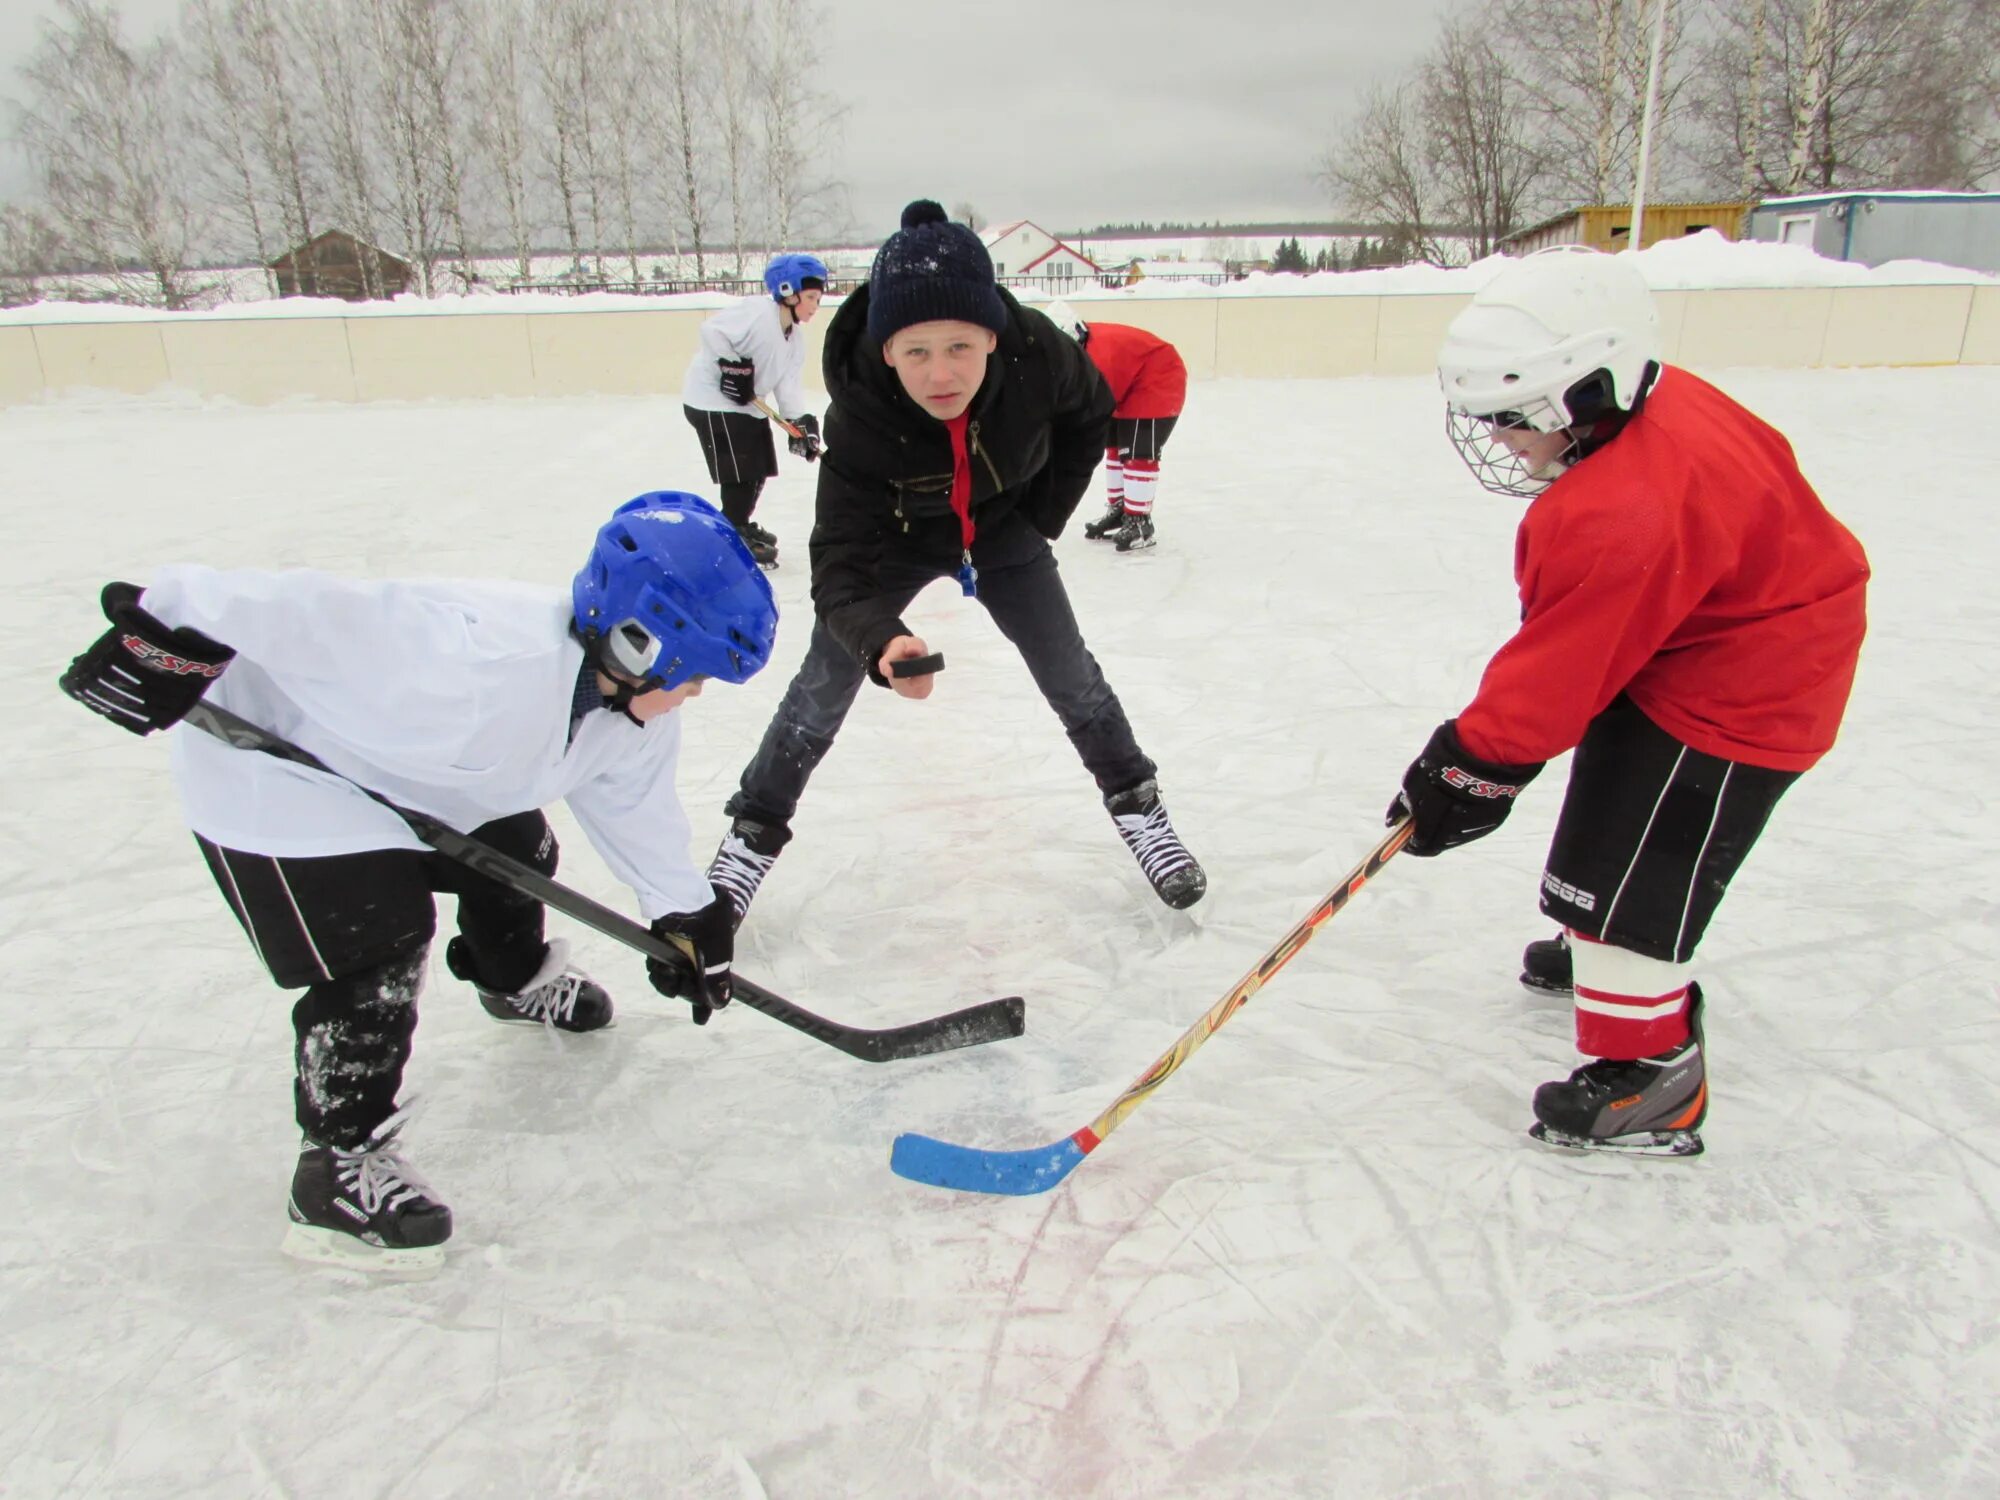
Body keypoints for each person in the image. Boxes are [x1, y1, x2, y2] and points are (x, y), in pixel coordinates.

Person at [57, 494, 778, 1272]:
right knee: (380, 942)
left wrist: (683, 911)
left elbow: (631, 803)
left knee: (519, 846)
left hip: (412, 773)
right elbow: (309, 610)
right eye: (697, 673)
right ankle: (334, 1167)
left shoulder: (627, 708)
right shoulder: (464, 658)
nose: (698, 693)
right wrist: (167, 634)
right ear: (640, 644)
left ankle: (512, 979)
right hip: (280, 777)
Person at [1388, 246, 1868, 1157]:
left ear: (1590, 391)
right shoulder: (1658, 403)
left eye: (1512, 419)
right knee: (1612, 822)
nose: (1498, 439)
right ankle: (1599, 947)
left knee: (1637, 869)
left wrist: (1467, 769)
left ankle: (1651, 1076)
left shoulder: (1617, 511)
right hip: (1701, 631)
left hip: (1744, 689)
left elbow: (1558, 671)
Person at [706, 200, 1206, 928]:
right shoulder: (861, 418)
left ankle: (1140, 808)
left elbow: (1091, 410)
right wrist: (882, 640)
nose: (941, 374)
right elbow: (839, 564)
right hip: (896, 537)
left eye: (960, 348)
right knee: (822, 684)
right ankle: (751, 837)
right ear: (885, 352)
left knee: (1070, 671)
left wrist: (1039, 518)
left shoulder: (1037, 355)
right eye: (916, 351)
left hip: (1002, 523)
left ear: (994, 339)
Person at [681, 252, 830, 567]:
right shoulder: (758, 314)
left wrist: (799, 423)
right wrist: (731, 367)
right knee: (741, 468)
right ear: (788, 291)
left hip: (745, 404)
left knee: (759, 465)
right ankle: (731, 529)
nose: (816, 304)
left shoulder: (795, 339)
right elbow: (712, 332)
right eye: (812, 297)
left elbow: (788, 384)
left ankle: (740, 522)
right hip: (710, 400)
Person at [1044, 303, 1188, 553]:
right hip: (1130, 380)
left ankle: (1140, 521)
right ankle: (1121, 509)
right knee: (1112, 443)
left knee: (1137, 449)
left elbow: (1090, 408)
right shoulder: (1078, 355)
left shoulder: (1095, 359)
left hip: (1159, 376)